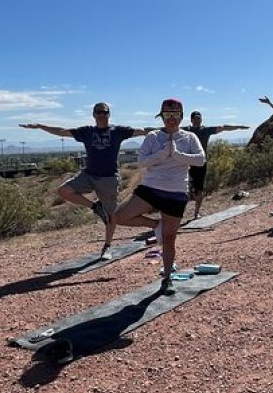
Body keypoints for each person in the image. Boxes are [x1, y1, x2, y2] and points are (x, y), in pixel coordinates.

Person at [20, 103, 152, 259]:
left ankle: (107, 247)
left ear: (109, 114)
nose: (102, 115)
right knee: (64, 190)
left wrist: (166, 129)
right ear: (94, 114)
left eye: (105, 112)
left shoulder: (118, 131)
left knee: (111, 216)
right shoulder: (86, 132)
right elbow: (62, 132)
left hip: (109, 178)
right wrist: (41, 126)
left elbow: (143, 131)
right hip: (88, 174)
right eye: (99, 112)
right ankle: (96, 207)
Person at [112, 98, 205, 295]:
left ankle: (167, 278)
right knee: (119, 216)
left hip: (176, 191)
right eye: (168, 114)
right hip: (151, 188)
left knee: (170, 239)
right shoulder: (153, 137)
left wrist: (179, 155)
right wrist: (162, 155)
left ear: (181, 116)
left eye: (176, 115)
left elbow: (200, 159)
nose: (172, 118)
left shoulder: (189, 138)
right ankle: (155, 225)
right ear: (161, 115)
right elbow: (142, 162)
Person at [184, 111, 249, 219]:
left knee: (199, 189)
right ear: (191, 120)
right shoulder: (186, 130)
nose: (197, 120)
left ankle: (196, 213)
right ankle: (177, 214)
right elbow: (167, 130)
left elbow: (223, 127)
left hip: (201, 164)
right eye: (195, 118)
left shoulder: (205, 130)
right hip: (187, 163)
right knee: (183, 189)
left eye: (199, 118)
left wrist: (239, 127)